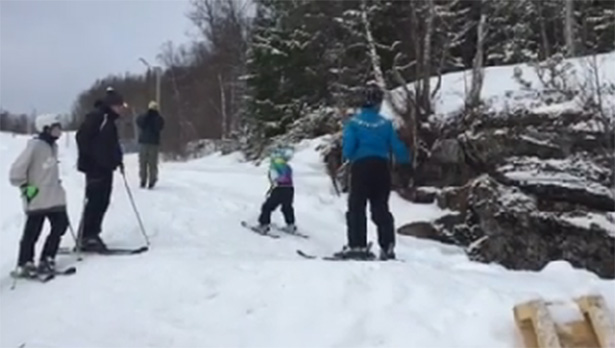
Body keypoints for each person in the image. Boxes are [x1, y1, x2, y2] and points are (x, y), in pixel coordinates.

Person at [334, 83, 412, 260]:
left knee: (356, 206)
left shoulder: (353, 123)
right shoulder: (385, 124)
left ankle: (358, 246)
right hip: (381, 168)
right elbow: (397, 146)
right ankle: (387, 246)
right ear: (378, 103)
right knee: (380, 207)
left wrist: (351, 156)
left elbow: (347, 150)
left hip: (361, 167)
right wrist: (405, 164)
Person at [9, 114, 69, 277]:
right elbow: (16, 172)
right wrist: (27, 187)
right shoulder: (35, 146)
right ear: (46, 128)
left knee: (61, 225)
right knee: (33, 231)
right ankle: (25, 262)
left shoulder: (53, 147)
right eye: (55, 128)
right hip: (37, 196)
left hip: (54, 195)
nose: (59, 132)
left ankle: (47, 257)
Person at [75, 88, 126, 252]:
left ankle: (92, 234)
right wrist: (90, 159)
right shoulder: (98, 117)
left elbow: (111, 144)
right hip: (95, 168)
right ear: (111, 105)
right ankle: (86, 236)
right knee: (95, 201)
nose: (120, 109)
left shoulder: (109, 120)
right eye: (118, 106)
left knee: (103, 201)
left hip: (106, 167)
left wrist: (117, 159)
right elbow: (81, 137)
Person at [253, 147, 297, 234]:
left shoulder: (275, 164)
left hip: (280, 189)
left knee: (267, 206)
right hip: (289, 188)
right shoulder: (287, 166)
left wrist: (275, 181)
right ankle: (290, 225)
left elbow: (275, 177)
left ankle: (263, 225)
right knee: (287, 207)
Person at [136, 100, 165, 188]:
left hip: (143, 142)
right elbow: (160, 127)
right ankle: (152, 180)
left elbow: (138, 122)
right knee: (152, 163)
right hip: (153, 143)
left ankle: (143, 180)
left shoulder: (144, 116)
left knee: (142, 162)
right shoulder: (159, 118)